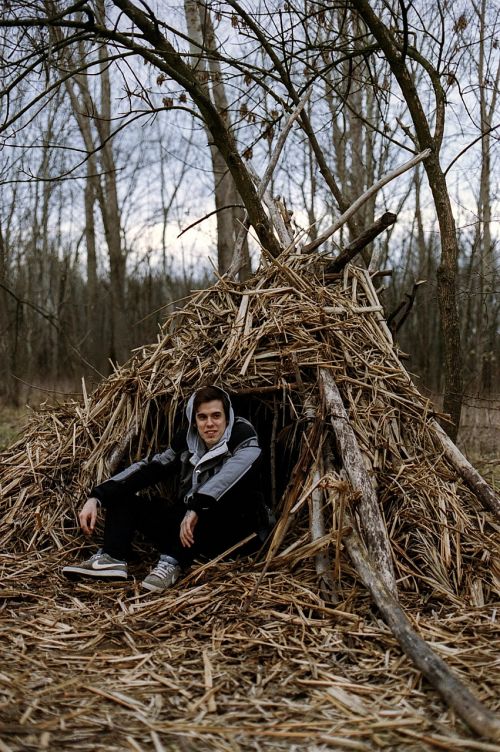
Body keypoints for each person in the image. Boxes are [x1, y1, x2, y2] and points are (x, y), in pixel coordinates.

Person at [62, 386, 270, 592]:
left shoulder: (243, 438)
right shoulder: (187, 442)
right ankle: (112, 557)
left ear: (228, 417)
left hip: (234, 535)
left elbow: (230, 475)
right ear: (194, 421)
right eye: (202, 417)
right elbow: (150, 468)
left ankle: (172, 562)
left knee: (206, 503)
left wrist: (196, 506)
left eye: (216, 416)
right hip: (188, 530)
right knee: (125, 497)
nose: (210, 424)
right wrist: (97, 497)